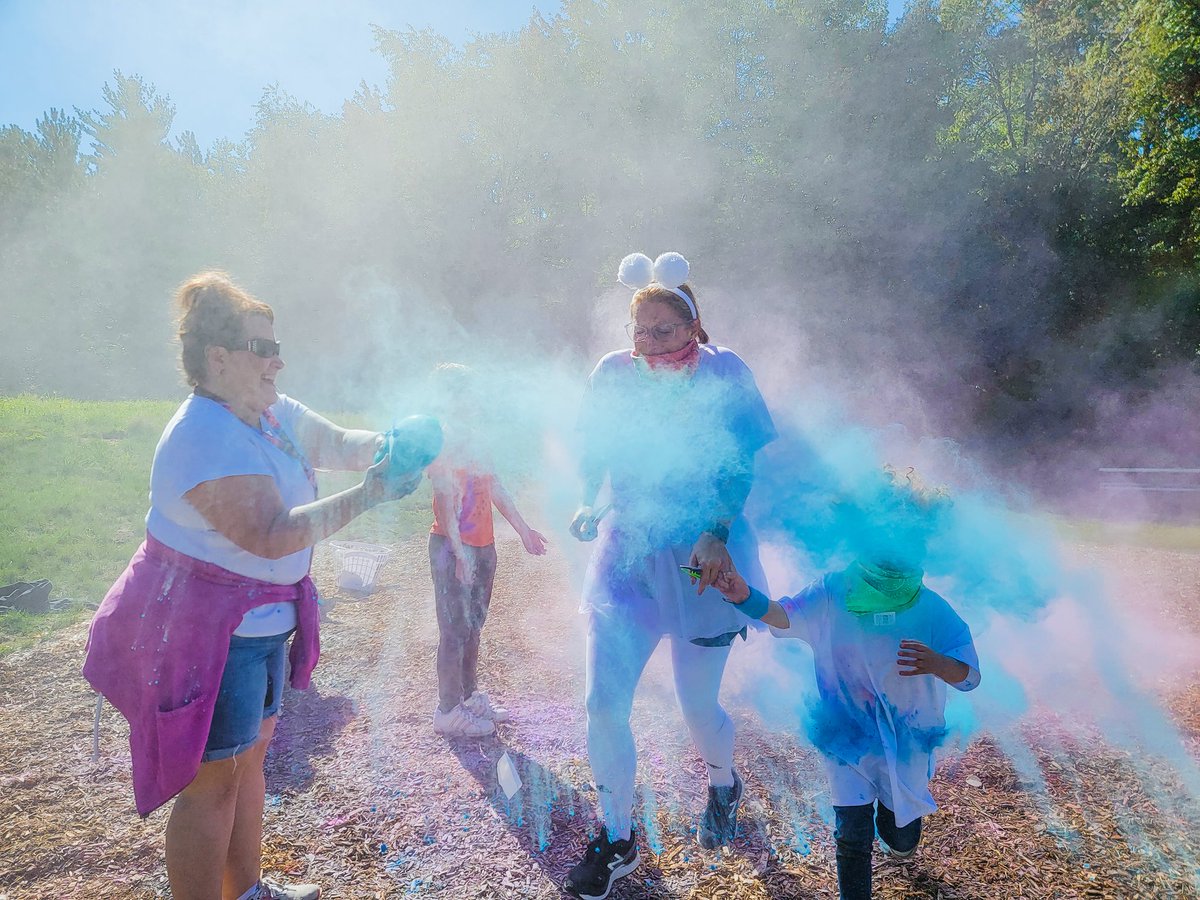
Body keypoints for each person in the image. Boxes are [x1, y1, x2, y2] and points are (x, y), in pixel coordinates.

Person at [83, 272, 427, 900]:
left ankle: (246, 891)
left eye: (276, 345)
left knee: (247, 767)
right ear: (219, 358)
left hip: (260, 626)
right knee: (211, 789)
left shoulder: (268, 412)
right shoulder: (202, 436)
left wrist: (392, 445)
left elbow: (334, 442)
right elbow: (270, 534)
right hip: (207, 637)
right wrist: (373, 493)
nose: (278, 360)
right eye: (262, 348)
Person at [565, 252, 776, 900]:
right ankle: (619, 836)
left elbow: (740, 459)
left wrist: (716, 528)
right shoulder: (612, 373)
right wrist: (586, 496)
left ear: (693, 327)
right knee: (603, 702)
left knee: (697, 705)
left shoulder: (725, 372)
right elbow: (594, 445)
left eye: (663, 331)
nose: (648, 344)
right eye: (639, 331)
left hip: (703, 560)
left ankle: (722, 781)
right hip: (628, 553)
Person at [713, 469, 982, 900]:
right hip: (847, 738)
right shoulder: (833, 590)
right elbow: (785, 615)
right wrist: (743, 595)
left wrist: (937, 664)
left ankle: (895, 824)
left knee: (901, 837)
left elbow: (970, 675)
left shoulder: (932, 609)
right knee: (851, 835)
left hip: (908, 744)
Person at [424, 362, 549, 737]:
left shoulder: (477, 439)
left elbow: (494, 488)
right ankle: (447, 711)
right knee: (453, 630)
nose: (474, 402)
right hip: (451, 548)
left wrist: (524, 530)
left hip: (483, 547)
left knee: (473, 627)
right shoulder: (441, 442)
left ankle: (469, 695)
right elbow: (445, 500)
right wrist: (460, 554)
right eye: (467, 395)